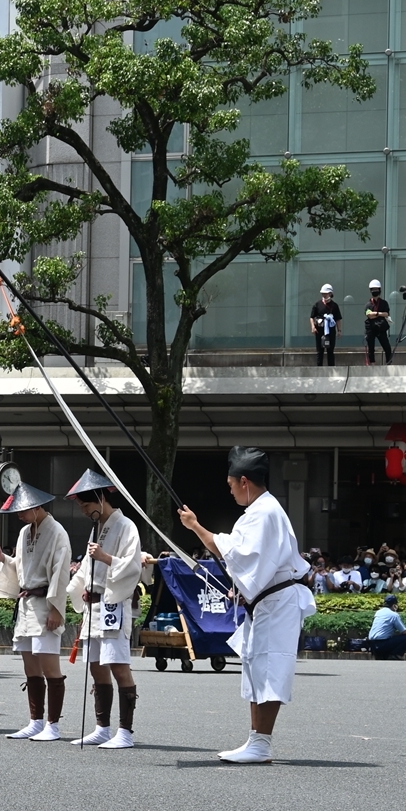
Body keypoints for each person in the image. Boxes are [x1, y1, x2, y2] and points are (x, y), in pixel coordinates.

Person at [178, 445, 318, 764]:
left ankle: (261, 742)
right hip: (269, 601)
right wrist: (242, 589)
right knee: (257, 666)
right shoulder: (261, 512)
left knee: (269, 667)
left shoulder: (265, 512)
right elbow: (253, 565)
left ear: (244, 481)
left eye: (230, 486)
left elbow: (232, 552)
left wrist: (195, 526)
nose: (230, 493)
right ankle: (256, 739)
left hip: (278, 603)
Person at [64, 471, 145, 749]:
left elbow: (133, 566)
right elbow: (88, 564)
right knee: (97, 666)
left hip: (113, 603)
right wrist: (80, 586)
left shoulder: (126, 526)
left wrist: (104, 557)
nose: (85, 512)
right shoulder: (97, 527)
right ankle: (102, 726)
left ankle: (126, 731)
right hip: (94, 604)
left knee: (119, 666)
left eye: (87, 506)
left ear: (100, 499)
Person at [0, 483, 71, 740]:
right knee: (30, 666)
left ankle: (53, 725)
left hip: (45, 602)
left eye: (22, 511)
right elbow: (22, 568)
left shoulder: (57, 532)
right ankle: (35, 721)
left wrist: (56, 608)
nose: (19, 516)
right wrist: (5, 559)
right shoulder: (25, 531)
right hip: (26, 604)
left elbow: (60, 572)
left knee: (49, 666)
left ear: (36, 509)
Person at [368, 593, 406, 660]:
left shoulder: (378, 612)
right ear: (394, 605)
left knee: (389, 638)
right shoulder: (394, 615)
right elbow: (405, 632)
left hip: (372, 645)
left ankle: (383, 655)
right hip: (382, 644)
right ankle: (395, 655)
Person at [309, 283, 341, 367]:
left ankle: (331, 369)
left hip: (331, 331)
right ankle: (319, 369)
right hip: (319, 330)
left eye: (326, 294)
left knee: (330, 351)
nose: (324, 295)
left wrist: (339, 330)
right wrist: (313, 327)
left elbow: (338, 319)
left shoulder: (335, 306)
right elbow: (312, 317)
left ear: (330, 294)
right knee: (319, 351)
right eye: (323, 294)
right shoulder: (317, 304)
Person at [363, 279, 393, 366]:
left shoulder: (384, 303)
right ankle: (372, 364)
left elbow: (387, 314)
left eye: (376, 289)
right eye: (373, 289)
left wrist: (376, 313)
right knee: (371, 348)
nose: (375, 291)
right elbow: (369, 315)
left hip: (381, 328)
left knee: (387, 347)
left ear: (379, 290)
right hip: (371, 328)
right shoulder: (368, 304)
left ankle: (389, 363)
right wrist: (380, 314)